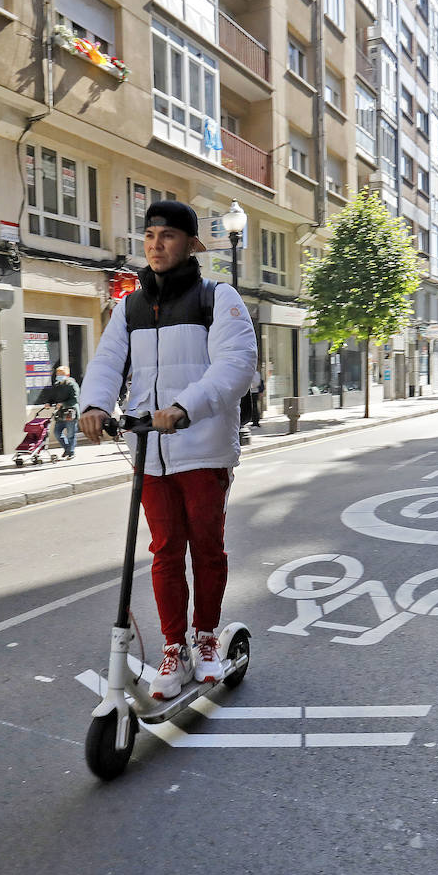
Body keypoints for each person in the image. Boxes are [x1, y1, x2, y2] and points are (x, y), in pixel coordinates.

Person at [78, 200, 257, 699]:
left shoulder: (217, 298)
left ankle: (205, 640)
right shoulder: (131, 307)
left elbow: (235, 365)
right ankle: (173, 648)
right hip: (150, 452)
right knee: (163, 552)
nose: (156, 244)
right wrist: (94, 403)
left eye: (169, 236)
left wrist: (185, 407)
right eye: (150, 235)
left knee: (206, 548)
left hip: (201, 448)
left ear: (192, 244)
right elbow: (108, 360)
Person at [43, 366, 80, 459]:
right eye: (58, 374)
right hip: (60, 413)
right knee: (57, 432)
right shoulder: (57, 385)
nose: (59, 376)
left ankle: (71, 452)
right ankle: (67, 449)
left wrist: (63, 404)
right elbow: (52, 397)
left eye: (61, 374)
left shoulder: (72, 384)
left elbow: (75, 399)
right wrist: (49, 402)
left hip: (70, 412)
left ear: (67, 375)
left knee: (71, 434)